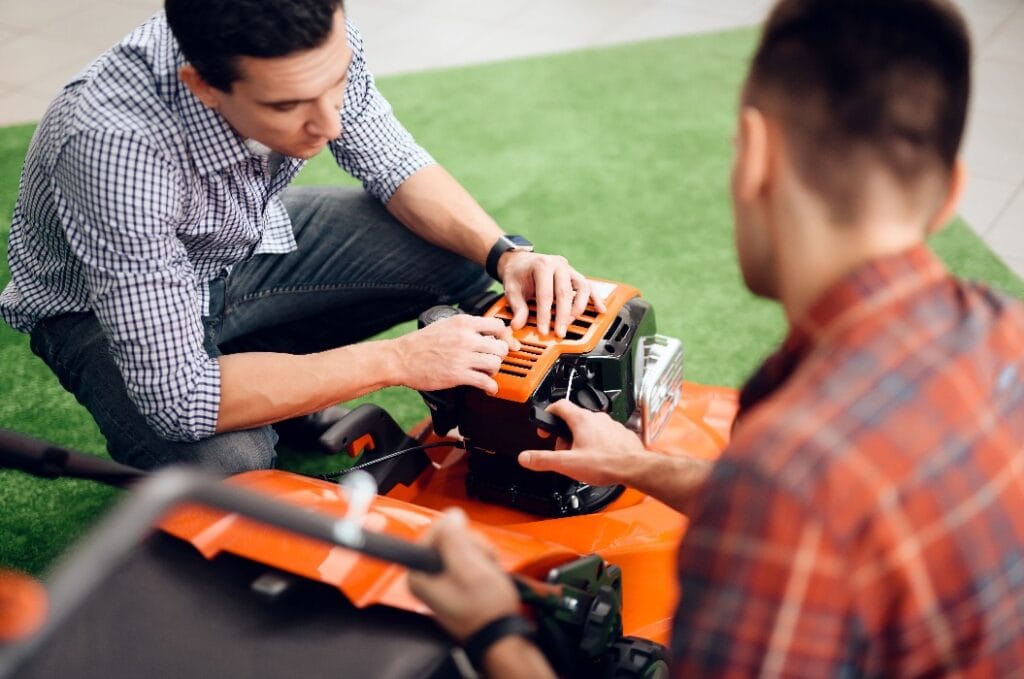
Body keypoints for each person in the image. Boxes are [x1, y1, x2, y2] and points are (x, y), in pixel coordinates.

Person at [408, 0, 1024, 675]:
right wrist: (631, 462)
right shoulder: (1006, 332)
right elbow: (808, 512)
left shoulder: (785, 480)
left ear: (757, 153)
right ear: (950, 193)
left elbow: (786, 504)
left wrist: (493, 626)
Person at [0, 0, 602, 472]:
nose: (330, 122)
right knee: (227, 462)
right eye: (290, 105)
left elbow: (392, 161)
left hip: (238, 249)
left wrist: (506, 255)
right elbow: (179, 398)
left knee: (469, 257)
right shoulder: (112, 147)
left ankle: (266, 377)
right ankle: (264, 387)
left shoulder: (309, 35)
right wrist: (396, 361)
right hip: (94, 313)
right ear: (203, 86)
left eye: (335, 82)